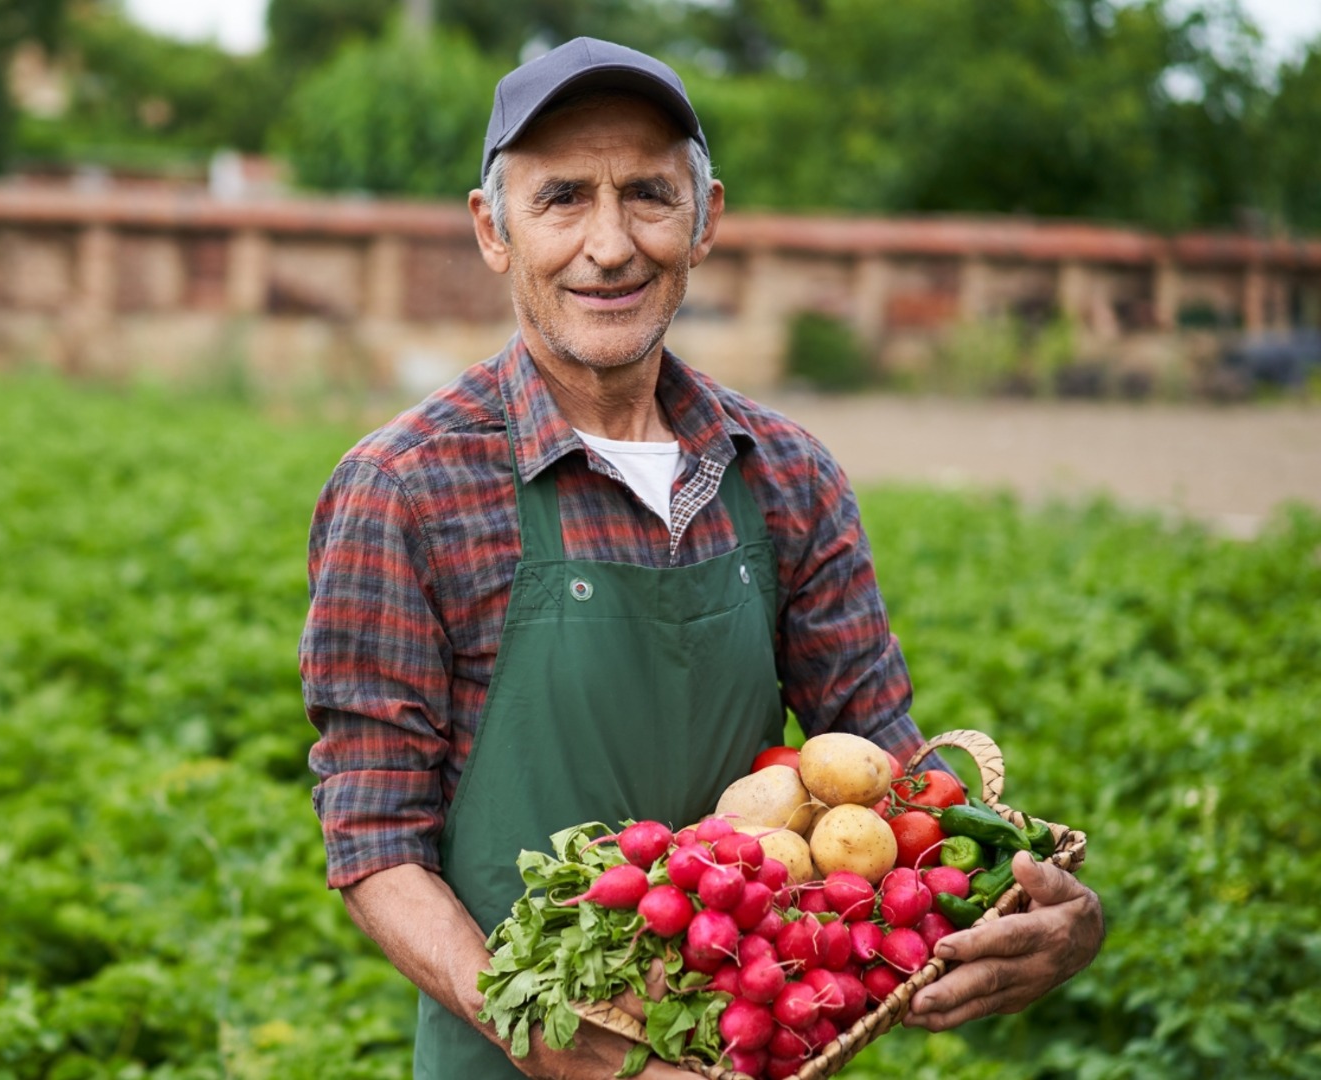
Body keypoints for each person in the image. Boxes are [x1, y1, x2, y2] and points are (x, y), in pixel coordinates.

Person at [299, 37, 1103, 1080]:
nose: (609, 245)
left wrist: (1043, 910)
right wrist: (555, 1043)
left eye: (646, 195)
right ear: (491, 230)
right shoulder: (406, 487)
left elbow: (890, 777)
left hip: (758, 1041)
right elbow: (373, 845)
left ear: (706, 219)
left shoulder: (786, 474)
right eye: (560, 199)